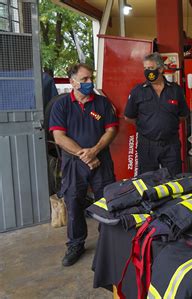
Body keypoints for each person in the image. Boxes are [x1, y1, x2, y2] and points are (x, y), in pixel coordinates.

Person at [49, 63, 118, 266]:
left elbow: (111, 130)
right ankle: (76, 244)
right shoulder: (61, 106)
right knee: (74, 202)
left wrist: (95, 151)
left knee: (106, 203)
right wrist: (85, 155)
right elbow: (59, 137)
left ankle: (109, 242)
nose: (90, 82)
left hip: (101, 161)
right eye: (85, 79)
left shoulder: (103, 104)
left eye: (91, 78)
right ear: (73, 82)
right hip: (74, 164)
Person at [124, 53, 189, 176]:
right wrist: (146, 127)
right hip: (147, 145)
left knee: (174, 180)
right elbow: (128, 116)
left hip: (171, 144)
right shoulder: (138, 91)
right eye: (145, 69)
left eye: (150, 68)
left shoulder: (176, 90)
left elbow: (183, 115)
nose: (147, 71)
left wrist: (167, 124)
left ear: (160, 69)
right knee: (147, 182)